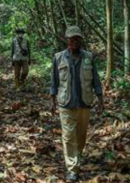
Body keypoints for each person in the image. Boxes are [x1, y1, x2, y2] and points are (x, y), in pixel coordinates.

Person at [50, 26, 104, 182]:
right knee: (68, 136)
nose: (75, 41)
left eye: (78, 39)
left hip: (84, 102)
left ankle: (76, 157)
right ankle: (72, 168)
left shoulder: (88, 57)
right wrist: (52, 100)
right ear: (67, 40)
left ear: (81, 40)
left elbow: (96, 80)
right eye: (72, 39)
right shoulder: (58, 57)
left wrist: (100, 99)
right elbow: (54, 80)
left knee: (81, 137)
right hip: (65, 103)